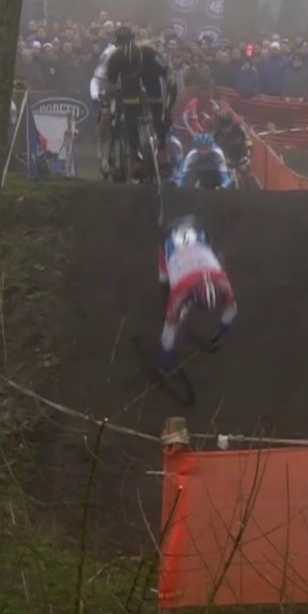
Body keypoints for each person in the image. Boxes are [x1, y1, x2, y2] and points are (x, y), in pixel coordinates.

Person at [157, 215, 237, 372]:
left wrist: (219, 333)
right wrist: (165, 352)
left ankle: (165, 354)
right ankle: (164, 354)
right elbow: (171, 323)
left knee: (217, 257)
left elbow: (231, 308)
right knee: (163, 280)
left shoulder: (221, 280)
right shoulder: (181, 288)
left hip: (193, 240)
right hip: (174, 243)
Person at [104, 25, 179, 180]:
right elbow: (168, 73)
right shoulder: (149, 52)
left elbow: (110, 84)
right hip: (153, 96)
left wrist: (112, 104)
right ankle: (162, 153)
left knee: (130, 125)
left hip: (131, 97)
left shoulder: (116, 56)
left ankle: (137, 157)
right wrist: (169, 108)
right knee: (161, 120)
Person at [89, 39, 118, 178]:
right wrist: (95, 96)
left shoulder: (133, 55)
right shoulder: (108, 56)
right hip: (108, 92)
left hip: (124, 92)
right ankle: (102, 154)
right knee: (105, 119)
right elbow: (96, 80)